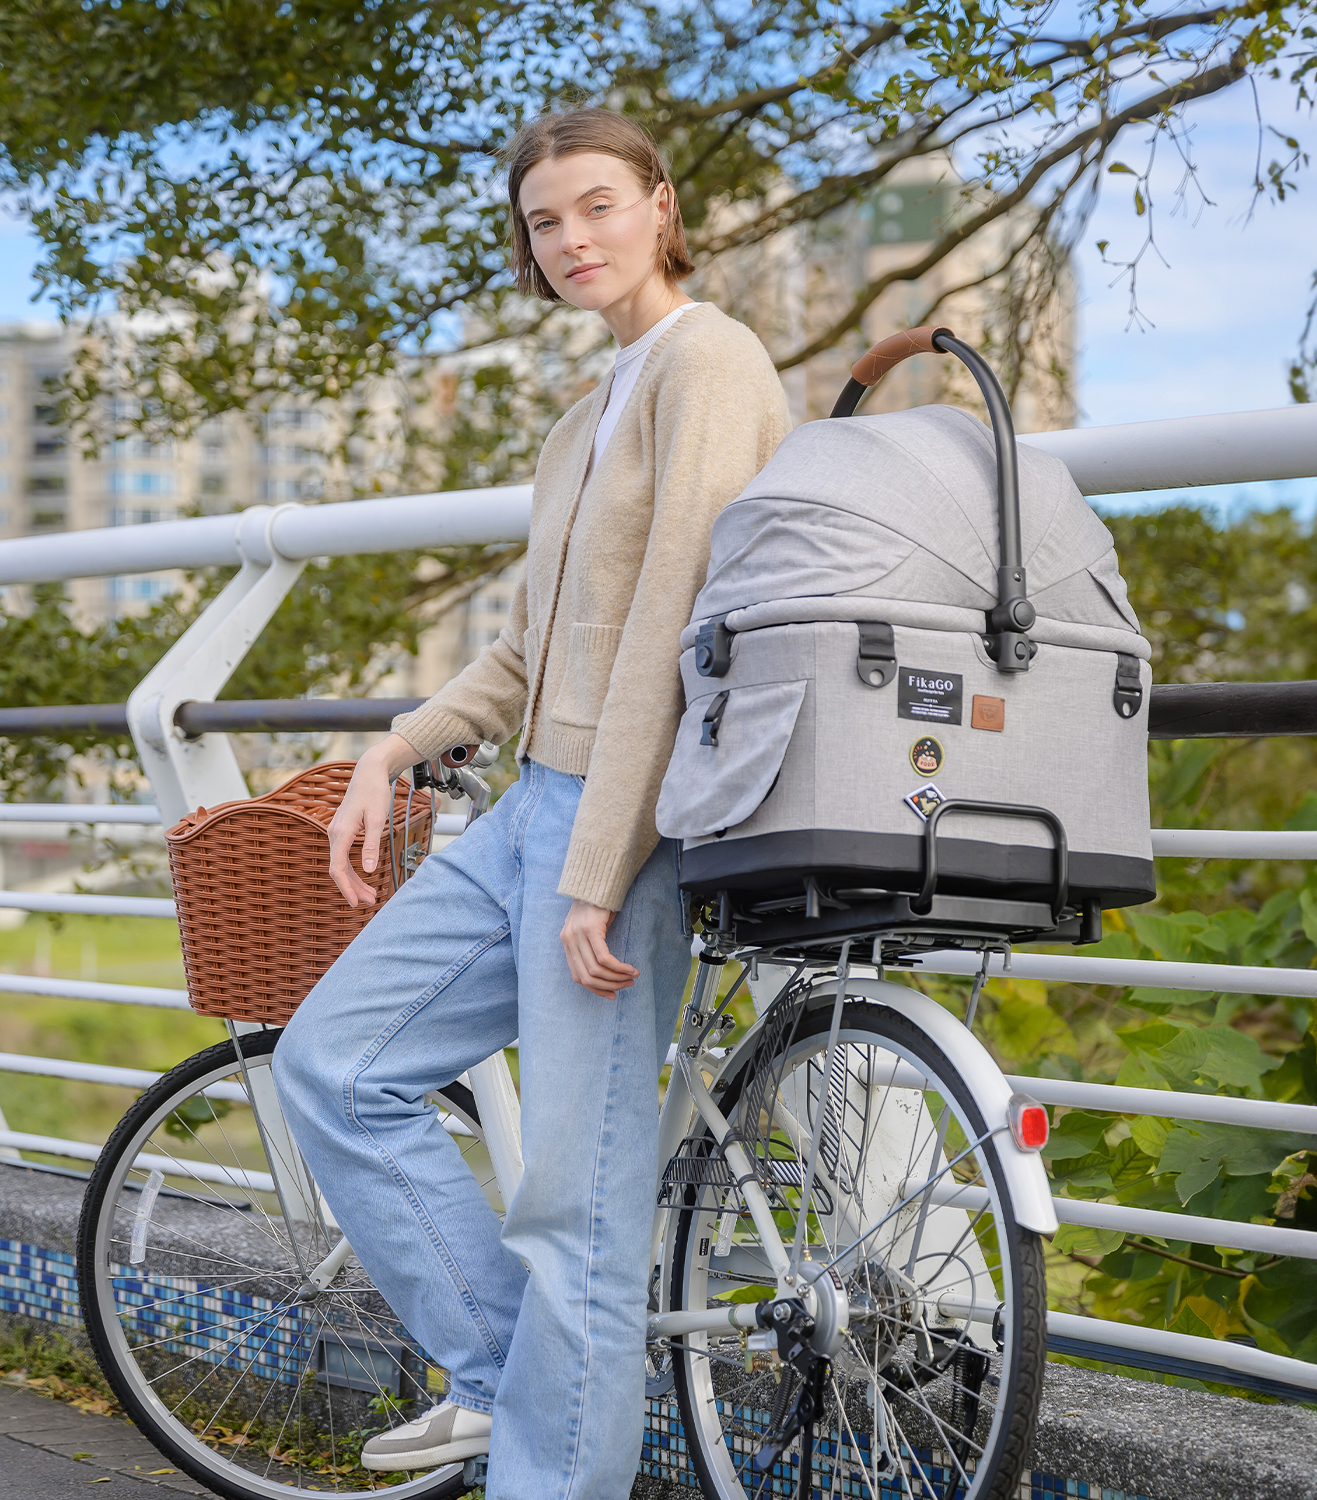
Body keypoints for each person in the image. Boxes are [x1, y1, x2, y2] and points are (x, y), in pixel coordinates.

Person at [275, 106, 790, 1500]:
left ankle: (545, 1471)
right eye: (544, 220)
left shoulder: (713, 365)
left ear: (662, 207)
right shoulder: (586, 415)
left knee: (577, 1212)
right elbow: (535, 647)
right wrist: (394, 749)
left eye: (598, 206)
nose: (570, 239)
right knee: (335, 1066)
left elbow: (678, 626)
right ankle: (509, 1388)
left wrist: (599, 867)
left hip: (622, 830)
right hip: (527, 809)